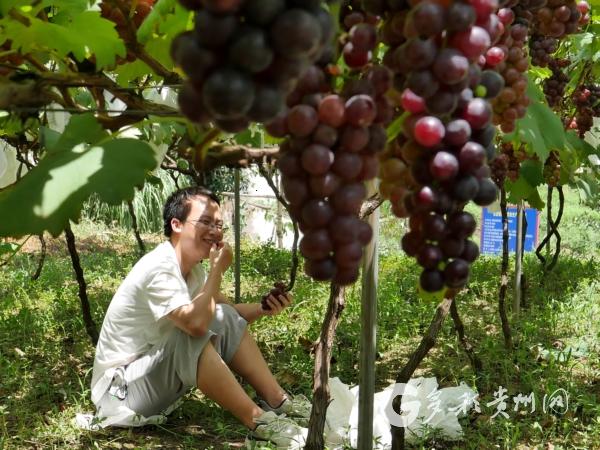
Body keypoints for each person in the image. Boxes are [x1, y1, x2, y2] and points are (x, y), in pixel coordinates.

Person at [90, 186, 312, 449]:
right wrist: (218, 271)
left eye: (219, 225)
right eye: (205, 222)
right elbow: (195, 325)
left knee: (222, 314)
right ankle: (259, 422)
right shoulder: (159, 267)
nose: (215, 231)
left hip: (149, 377)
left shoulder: (193, 271)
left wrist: (264, 308)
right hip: (120, 393)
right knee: (189, 335)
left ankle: (279, 401)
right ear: (177, 224)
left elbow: (227, 315)